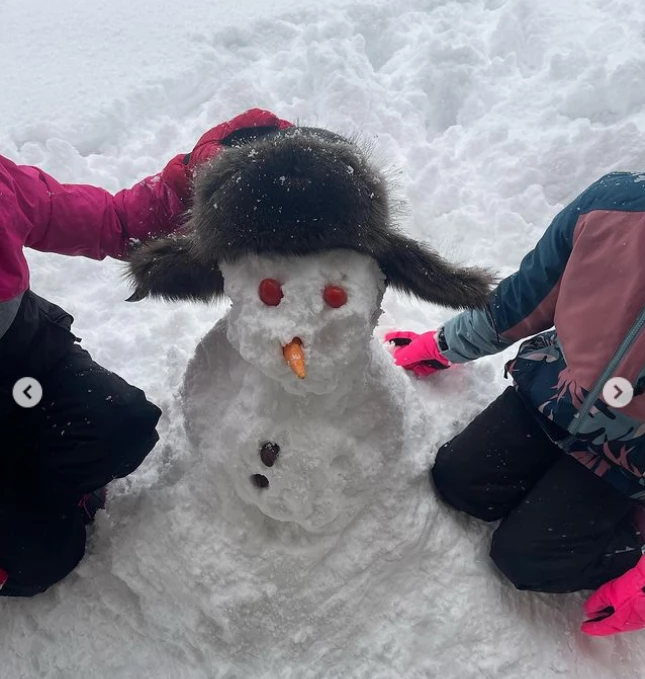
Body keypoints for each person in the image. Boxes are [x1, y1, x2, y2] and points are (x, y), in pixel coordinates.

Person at [0, 108, 292, 597]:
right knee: (42, 559)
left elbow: (112, 221)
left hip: (21, 355)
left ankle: (36, 492)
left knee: (125, 424)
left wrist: (196, 183)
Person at [388, 172, 645, 636]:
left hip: (633, 460)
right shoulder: (616, 203)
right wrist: (442, 345)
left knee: (526, 558)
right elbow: (524, 298)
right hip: (551, 395)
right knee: (460, 482)